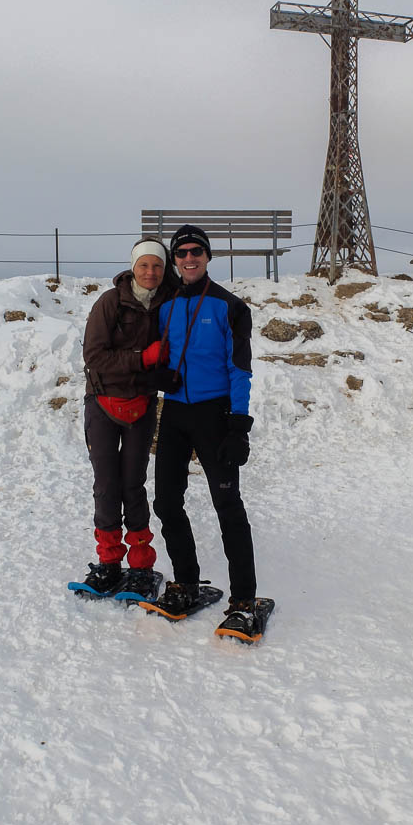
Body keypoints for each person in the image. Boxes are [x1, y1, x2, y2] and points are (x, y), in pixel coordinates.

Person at [152, 224, 258, 633]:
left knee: (227, 506)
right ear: (174, 260)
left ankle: (244, 600)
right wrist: (161, 377)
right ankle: (186, 582)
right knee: (166, 501)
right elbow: (161, 355)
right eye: (182, 253)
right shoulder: (165, 307)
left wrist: (239, 426)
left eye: (197, 251)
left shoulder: (229, 307)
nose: (189, 258)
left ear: (208, 256)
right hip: (175, 413)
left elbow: (241, 369)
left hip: (215, 416)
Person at [81, 238, 181, 596]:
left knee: (133, 484)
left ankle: (141, 565)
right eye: (144, 265)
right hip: (103, 404)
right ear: (133, 268)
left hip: (141, 405)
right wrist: (142, 358)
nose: (150, 272)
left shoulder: (171, 304)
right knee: (106, 485)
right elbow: (94, 356)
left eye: (157, 265)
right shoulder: (110, 303)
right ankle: (108, 562)